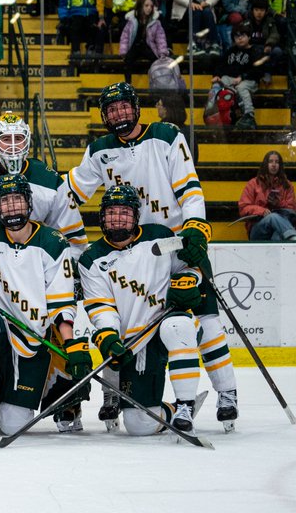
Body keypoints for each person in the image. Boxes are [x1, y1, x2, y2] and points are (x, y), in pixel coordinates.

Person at [66, 82, 236, 427]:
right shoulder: (99, 150)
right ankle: (115, 393)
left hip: (177, 247)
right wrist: (58, 232)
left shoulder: (166, 135)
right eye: (111, 110)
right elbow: (68, 195)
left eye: (123, 107)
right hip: (130, 251)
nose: (119, 114)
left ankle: (227, 392)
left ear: (136, 107)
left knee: (207, 323)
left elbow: (189, 187)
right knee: (123, 325)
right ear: (103, 115)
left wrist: (195, 228)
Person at [0, 174, 88, 436]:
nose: (12, 207)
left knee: (13, 425)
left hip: (34, 334)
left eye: (17, 200)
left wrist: (71, 344)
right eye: (5, 201)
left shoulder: (53, 242)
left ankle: (61, 390)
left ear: (29, 204)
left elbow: (61, 302)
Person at [79, 185, 205, 434]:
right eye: (111, 212)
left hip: (167, 322)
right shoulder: (91, 259)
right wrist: (109, 334)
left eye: (124, 212)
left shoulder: (160, 236)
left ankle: (185, 407)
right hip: (135, 341)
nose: (117, 218)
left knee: (177, 325)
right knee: (140, 426)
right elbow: (102, 306)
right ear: (102, 217)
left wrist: (191, 279)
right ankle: (168, 410)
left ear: (136, 216)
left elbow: (189, 268)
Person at [0, 113, 86, 252]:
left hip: (31, 264)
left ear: (27, 141)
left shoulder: (49, 180)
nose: (13, 146)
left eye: (19, 138)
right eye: (6, 139)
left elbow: (74, 241)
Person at [238, 151, 296, 241]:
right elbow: (243, 208)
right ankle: (293, 238)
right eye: (270, 161)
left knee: (277, 236)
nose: (274, 165)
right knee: (273, 217)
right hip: (258, 230)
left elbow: (292, 209)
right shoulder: (253, 183)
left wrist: (279, 203)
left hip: (280, 229)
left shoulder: (287, 185)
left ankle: (290, 239)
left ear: (280, 165)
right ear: (265, 164)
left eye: (277, 162)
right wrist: (262, 211)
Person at [119, 0, 169, 84]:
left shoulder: (155, 22)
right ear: (141, 6)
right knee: (127, 62)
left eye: (151, 6)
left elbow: (160, 38)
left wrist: (162, 52)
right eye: (146, 5)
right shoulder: (132, 21)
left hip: (148, 47)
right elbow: (125, 36)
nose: (149, 8)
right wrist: (123, 51)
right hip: (135, 46)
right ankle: (128, 86)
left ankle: (156, 86)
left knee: (156, 62)